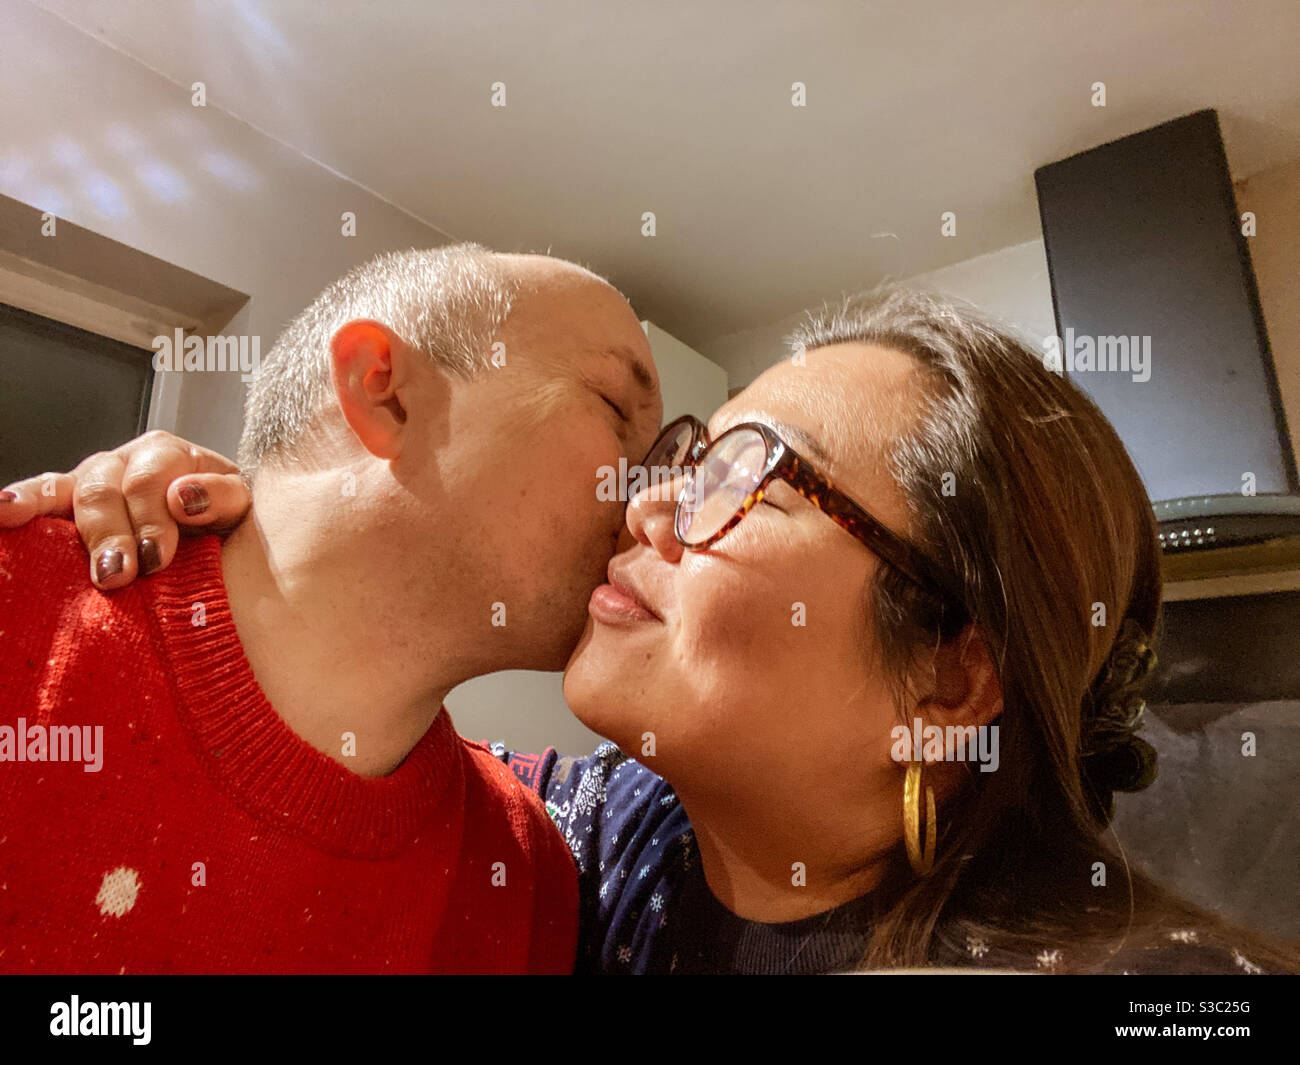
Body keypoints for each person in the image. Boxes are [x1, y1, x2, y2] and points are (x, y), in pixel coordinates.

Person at [8, 285, 1298, 975]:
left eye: (743, 468)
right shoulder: (587, 843)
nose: (645, 498)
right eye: (675, 446)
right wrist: (228, 540)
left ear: (952, 674)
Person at [0, 243, 664, 974]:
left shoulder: (530, 873)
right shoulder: (20, 615)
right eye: (613, 407)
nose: (658, 495)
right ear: (383, 389)